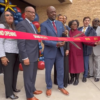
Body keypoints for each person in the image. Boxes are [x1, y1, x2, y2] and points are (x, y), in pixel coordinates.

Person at [40, 6, 69, 97]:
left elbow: (61, 36)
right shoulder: (43, 25)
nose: (54, 13)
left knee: (60, 70)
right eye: (51, 12)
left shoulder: (60, 24)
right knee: (48, 71)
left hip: (59, 52)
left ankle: (60, 86)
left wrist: (65, 34)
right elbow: (44, 40)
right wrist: (56, 44)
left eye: (55, 11)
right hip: (49, 52)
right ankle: (49, 87)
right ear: (47, 13)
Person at [16, 6, 42, 100]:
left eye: (34, 12)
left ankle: (32, 89)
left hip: (35, 55)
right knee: (28, 76)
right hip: (28, 56)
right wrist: (24, 57)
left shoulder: (33, 25)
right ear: (25, 13)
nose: (33, 14)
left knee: (33, 75)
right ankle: (29, 96)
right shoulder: (21, 24)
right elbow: (21, 42)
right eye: (31, 12)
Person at [68, 20, 97, 85]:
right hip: (70, 53)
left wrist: (94, 43)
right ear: (70, 25)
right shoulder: (68, 33)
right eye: (73, 24)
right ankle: (72, 78)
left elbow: (86, 41)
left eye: (76, 24)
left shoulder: (81, 33)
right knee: (71, 66)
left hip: (78, 52)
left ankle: (76, 79)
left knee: (77, 66)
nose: (75, 26)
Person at [0, 11, 20, 99]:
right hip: (7, 54)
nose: (10, 16)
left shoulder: (13, 28)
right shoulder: (2, 26)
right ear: (3, 17)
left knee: (15, 72)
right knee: (8, 74)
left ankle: (13, 88)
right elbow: (0, 42)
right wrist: (2, 56)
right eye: (7, 15)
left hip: (16, 53)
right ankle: (9, 93)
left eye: (11, 15)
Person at [78, 17, 97, 82]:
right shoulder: (79, 28)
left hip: (86, 48)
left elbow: (92, 38)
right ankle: (77, 74)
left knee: (86, 63)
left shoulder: (92, 29)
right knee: (78, 62)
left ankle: (85, 76)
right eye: (85, 20)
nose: (87, 22)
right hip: (78, 49)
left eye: (88, 21)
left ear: (89, 22)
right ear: (83, 21)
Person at [54, 14, 69, 87]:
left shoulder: (66, 28)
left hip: (64, 48)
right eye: (60, 18)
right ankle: (57, 81)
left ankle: (64, 82)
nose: (61, 19)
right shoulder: (54, 27)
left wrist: (67, 49)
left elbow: (68, 39)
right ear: (57, 18)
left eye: (62, 18)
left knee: (65, 66)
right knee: (57, 66)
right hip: (56, 48)